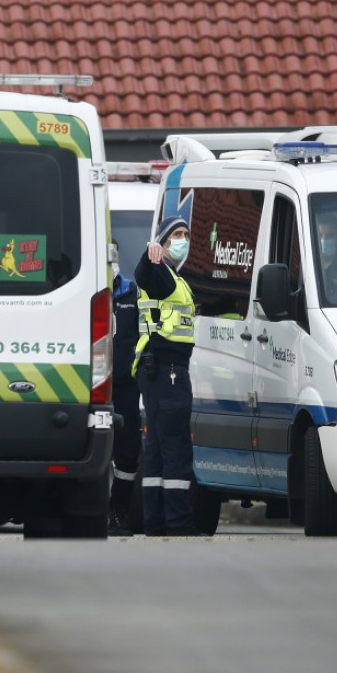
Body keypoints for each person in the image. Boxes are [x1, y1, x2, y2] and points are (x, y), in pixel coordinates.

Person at [132, 217, 204, 536]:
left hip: (160, 371)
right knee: (175, 448)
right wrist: (150, 254)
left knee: (159, 449)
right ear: (162, 241)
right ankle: (178, 524)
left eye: (186, 234)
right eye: (177, 234)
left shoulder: (177, 279)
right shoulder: (162, 274)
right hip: (167, 371)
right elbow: (144, 274)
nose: (183, 239)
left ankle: (156, 523)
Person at [106, 240, 142, 536]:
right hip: (91, 384)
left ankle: (119, 513)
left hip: (127, 385)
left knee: (128, 454)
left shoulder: (132, 293)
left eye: (115, 253)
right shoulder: (86, 290)